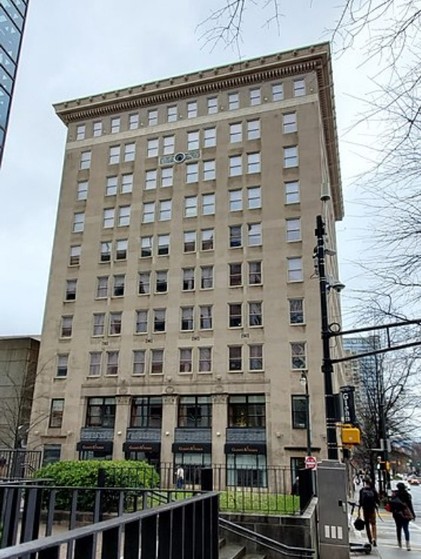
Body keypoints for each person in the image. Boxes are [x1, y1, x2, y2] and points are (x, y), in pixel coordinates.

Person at [390, 482, 416, 550]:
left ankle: (399, 543)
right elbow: (410, 505)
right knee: (406, 528)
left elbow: (392, 504)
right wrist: (413, 514)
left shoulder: (395, 495)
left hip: (397, 514)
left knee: (398, 528)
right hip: (405, 514)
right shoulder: (407, 495)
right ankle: (408, 544)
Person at [358, 477, 380, 547]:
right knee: (373, 524)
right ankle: (374, 538)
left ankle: (370, 539)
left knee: (367, 524)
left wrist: (359, 509)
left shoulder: (362, 490)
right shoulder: (373, 490)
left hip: (365, 509)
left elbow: (360, 501)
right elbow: (377, 500)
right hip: (372, 509)